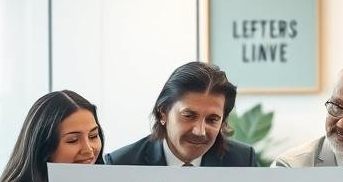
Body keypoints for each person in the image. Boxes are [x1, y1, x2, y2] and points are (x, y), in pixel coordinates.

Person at [105, 61, 256, 167]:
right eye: (189, 116)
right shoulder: (121, 164)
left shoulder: (242, 161)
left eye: (212, 120)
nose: (200, 131)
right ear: (163, 113)